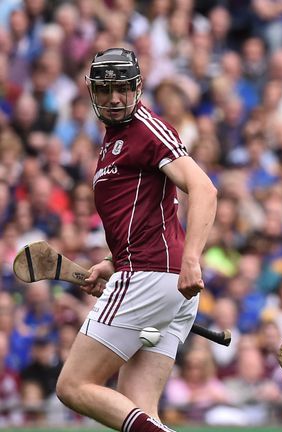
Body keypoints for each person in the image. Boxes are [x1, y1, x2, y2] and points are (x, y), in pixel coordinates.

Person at [54, 48, 218, 432]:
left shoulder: (147, 129)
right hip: (158, 279)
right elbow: (144, 214)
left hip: (151, 276)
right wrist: (112, 262)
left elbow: (204, 189)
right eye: (105, 89)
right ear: (92, 93)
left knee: (73, 386)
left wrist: (193, 257)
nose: (114, 98)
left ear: (138, 87)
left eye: (123, 88)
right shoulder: (116, 139)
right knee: (137, 409)